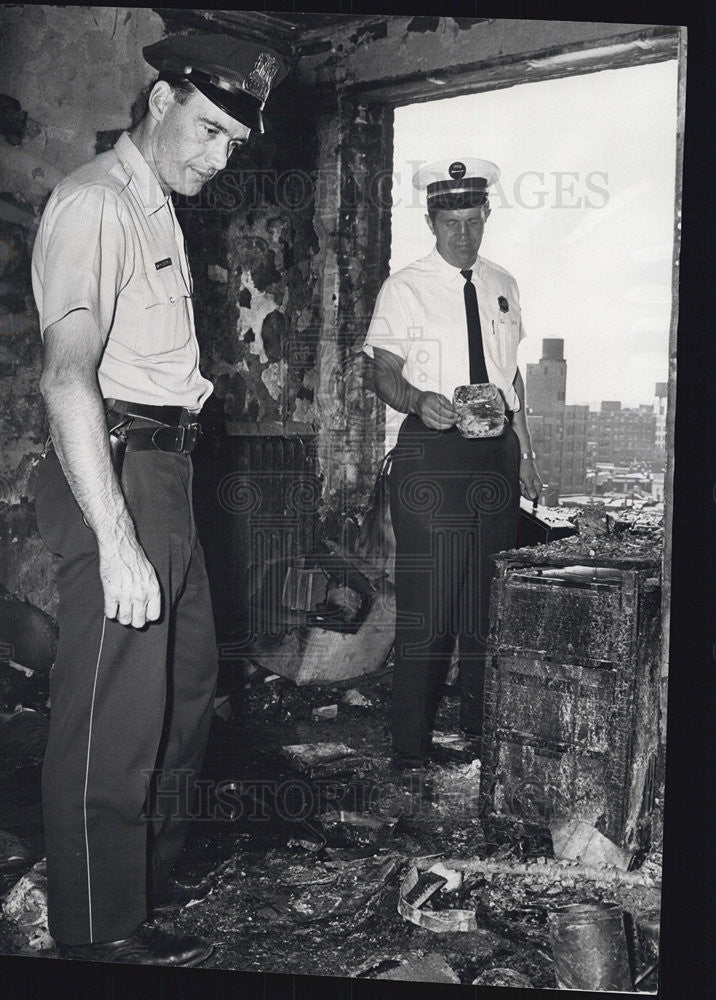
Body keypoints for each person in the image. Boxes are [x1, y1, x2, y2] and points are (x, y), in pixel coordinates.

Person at [31, 34, 286, 966]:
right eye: (208, 130)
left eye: (233, 144)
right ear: (159, 97)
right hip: (115, 464)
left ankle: (135, 895)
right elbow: (66, 379)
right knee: (115, 708)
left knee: (182, 696)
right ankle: (95, 934)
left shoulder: (157, 209)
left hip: (166, 468)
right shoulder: (97, 202)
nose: (217, 158)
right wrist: (116, 539)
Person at [363, 158, 542, 772]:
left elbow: (510, 372)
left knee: (487, 600)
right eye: (450, 222)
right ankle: (410, 747)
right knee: (431, 601)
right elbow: (379, 370)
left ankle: (478, 731)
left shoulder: (503, 282)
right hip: (432, 453)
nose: (462, 234)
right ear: (431, 222)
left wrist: (525, 451)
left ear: (486, 215)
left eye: (472, 220)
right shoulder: (404, 286)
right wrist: (417, 400)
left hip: (497, 450)